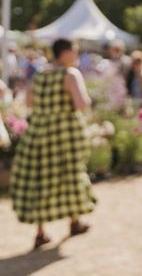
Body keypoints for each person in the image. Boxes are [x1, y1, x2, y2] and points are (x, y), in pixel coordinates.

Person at [10, 38, 96, 249]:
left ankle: (41, 232)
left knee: (41, 180)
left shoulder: (39, 74)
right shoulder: (70, 74)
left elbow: (29, 102)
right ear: (64, 53)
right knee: (70, 176)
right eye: (74, 51)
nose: (76, 56)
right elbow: (82, 104)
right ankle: (74, 221)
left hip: (39, 134)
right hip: (65, 135)